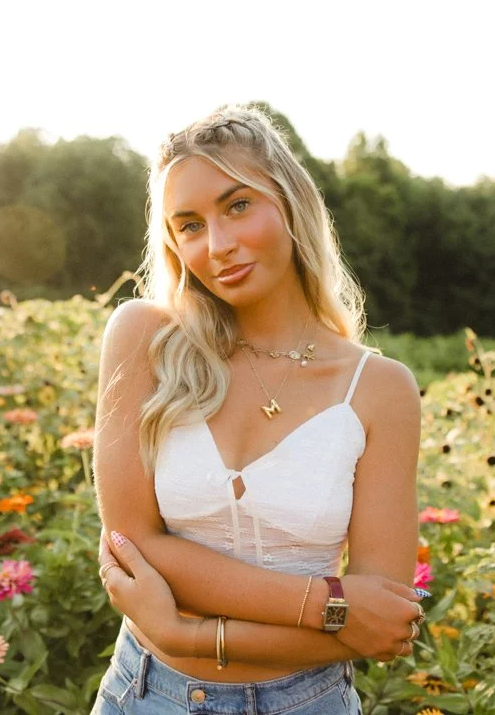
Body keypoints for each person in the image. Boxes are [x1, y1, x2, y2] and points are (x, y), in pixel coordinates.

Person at [90, 103, 424, 714]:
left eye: (238, 205)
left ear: (291, 203)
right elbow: (132, 542)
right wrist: (329, 605)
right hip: (143, 695)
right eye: (190, 225)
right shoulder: (145, 338)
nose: (218, 245)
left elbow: (381, 624)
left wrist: (186, 634)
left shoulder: (380, 389)